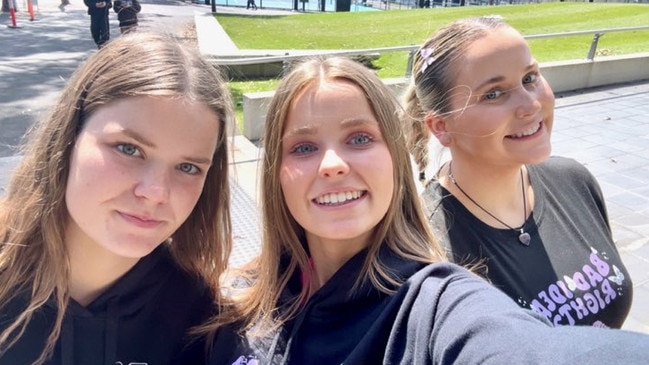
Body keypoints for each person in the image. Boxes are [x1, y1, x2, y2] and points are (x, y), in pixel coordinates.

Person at [206, 56, 649, 365]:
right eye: (303, 147)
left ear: (395, 160)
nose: (333, 164)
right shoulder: (228, 300)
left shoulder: (435, 303)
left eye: (360, 138)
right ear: (275, 174)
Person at [0, 32, 234, 365]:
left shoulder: (196, 315)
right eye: (129, 149)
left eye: (187, 167)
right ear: (70, 137)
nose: (155, 192)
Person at [402, 15, 633, 329]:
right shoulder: (425, 248)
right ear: (440, 127)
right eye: (494, 94)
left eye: (530, 78)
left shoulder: (574, 180)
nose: (531, 105)